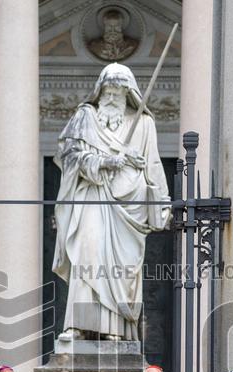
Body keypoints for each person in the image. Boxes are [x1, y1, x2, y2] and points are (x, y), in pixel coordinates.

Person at [52, 62, 171, 341]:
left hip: (129, 207)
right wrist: (109, 161)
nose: (113, 96)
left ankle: (115, 328)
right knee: (87, 256)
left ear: (129, 93)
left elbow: (153, 165)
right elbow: (70, 157)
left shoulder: (144, 123)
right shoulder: (85, 117)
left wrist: (163, 203)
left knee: (121, 270)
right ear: (100, 90)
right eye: (108, 89)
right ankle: (77, 325)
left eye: (119, 90)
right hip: (92, 198)